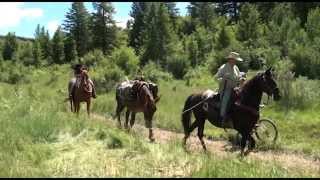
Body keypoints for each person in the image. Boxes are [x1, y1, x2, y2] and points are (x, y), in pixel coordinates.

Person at [215, 52, 243, 127]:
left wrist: (241, 78)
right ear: (230, 59)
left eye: (236, 60)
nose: (235, 61)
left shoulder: (236, 67)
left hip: (235, 88)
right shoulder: (223, 67)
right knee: (226, 100)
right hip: (225, 89)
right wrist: (223, 78)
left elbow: (239, 76)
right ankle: (222, 117)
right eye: (235, 60)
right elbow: (216, 78)